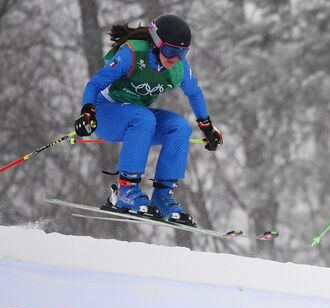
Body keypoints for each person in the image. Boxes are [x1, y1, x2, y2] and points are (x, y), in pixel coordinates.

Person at [74, 14, 222, 226]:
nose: (175, 57)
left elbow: (194, 92)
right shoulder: (133, 54)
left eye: (182, 52)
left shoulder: (178, 67)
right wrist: (87, 112)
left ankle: (162, 196)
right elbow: (94, 84)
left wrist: (207, 127)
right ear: (155, 42)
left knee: (179, 126)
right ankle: (126, 190)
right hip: (107, 114)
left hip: (137, 121)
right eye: (171, 50)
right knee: (143, 117)